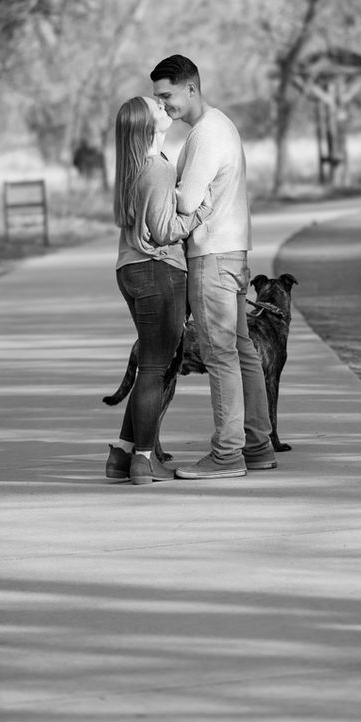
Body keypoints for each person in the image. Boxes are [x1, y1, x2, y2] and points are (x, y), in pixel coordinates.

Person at [150, 54, 276, 480]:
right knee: (240, 352)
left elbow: (185, 203)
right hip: (234, 253)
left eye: (167, 95)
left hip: (212, 257)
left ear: (191, 88)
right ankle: (257, 446)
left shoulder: (204, 134)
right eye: (157, 98)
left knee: (220, 355)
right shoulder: (221, 125)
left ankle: (227, 455)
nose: (163, 104)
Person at [108, 95, 207, 486]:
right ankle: (145, 461)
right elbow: (166, 231)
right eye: (158, 109)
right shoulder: (157, 169)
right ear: (147, 127)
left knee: (151, 363)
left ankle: (122, 454)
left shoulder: (132, 167)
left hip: (130, 269)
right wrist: (201, 212)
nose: (165, 109)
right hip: (158, 271)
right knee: (155, 368)